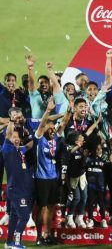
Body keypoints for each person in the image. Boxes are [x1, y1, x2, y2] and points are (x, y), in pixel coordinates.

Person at [34, 99, 68, 246]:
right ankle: (38, 236)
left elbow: (65, 122)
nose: (52, 129)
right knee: (42, 207)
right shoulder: (39, 138)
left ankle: (47, 234)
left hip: (53, 178)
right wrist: (48, 110)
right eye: (49, 126)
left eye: (53, 127)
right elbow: (42, 124)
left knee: (51, 206)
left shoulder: (55, 138)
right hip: (41, 178)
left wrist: (69, 111)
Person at [3, 120, 34, 249]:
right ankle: (17, 243)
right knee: (24, 217)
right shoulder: (7, 149)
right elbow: (9, 133)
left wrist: (30, 134)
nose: (16, 139)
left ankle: (9, 242)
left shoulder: (19, 150)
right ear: (8, 138)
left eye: (18, 137)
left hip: (21, 189)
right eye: (13, 137)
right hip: (16, 189)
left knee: (15, 217)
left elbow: (30, 145)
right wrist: (12, 120)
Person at [86, 142, 110, 228]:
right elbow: (83, 168)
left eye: (100, 149)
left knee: (101, 202)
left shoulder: (103, 161)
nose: (99, 150)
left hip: (100, 185)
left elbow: (109, 169)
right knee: (91, 202)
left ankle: (103, 220)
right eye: (97, 149)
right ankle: (90, 219)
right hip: (91, 185)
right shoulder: (88, 159)